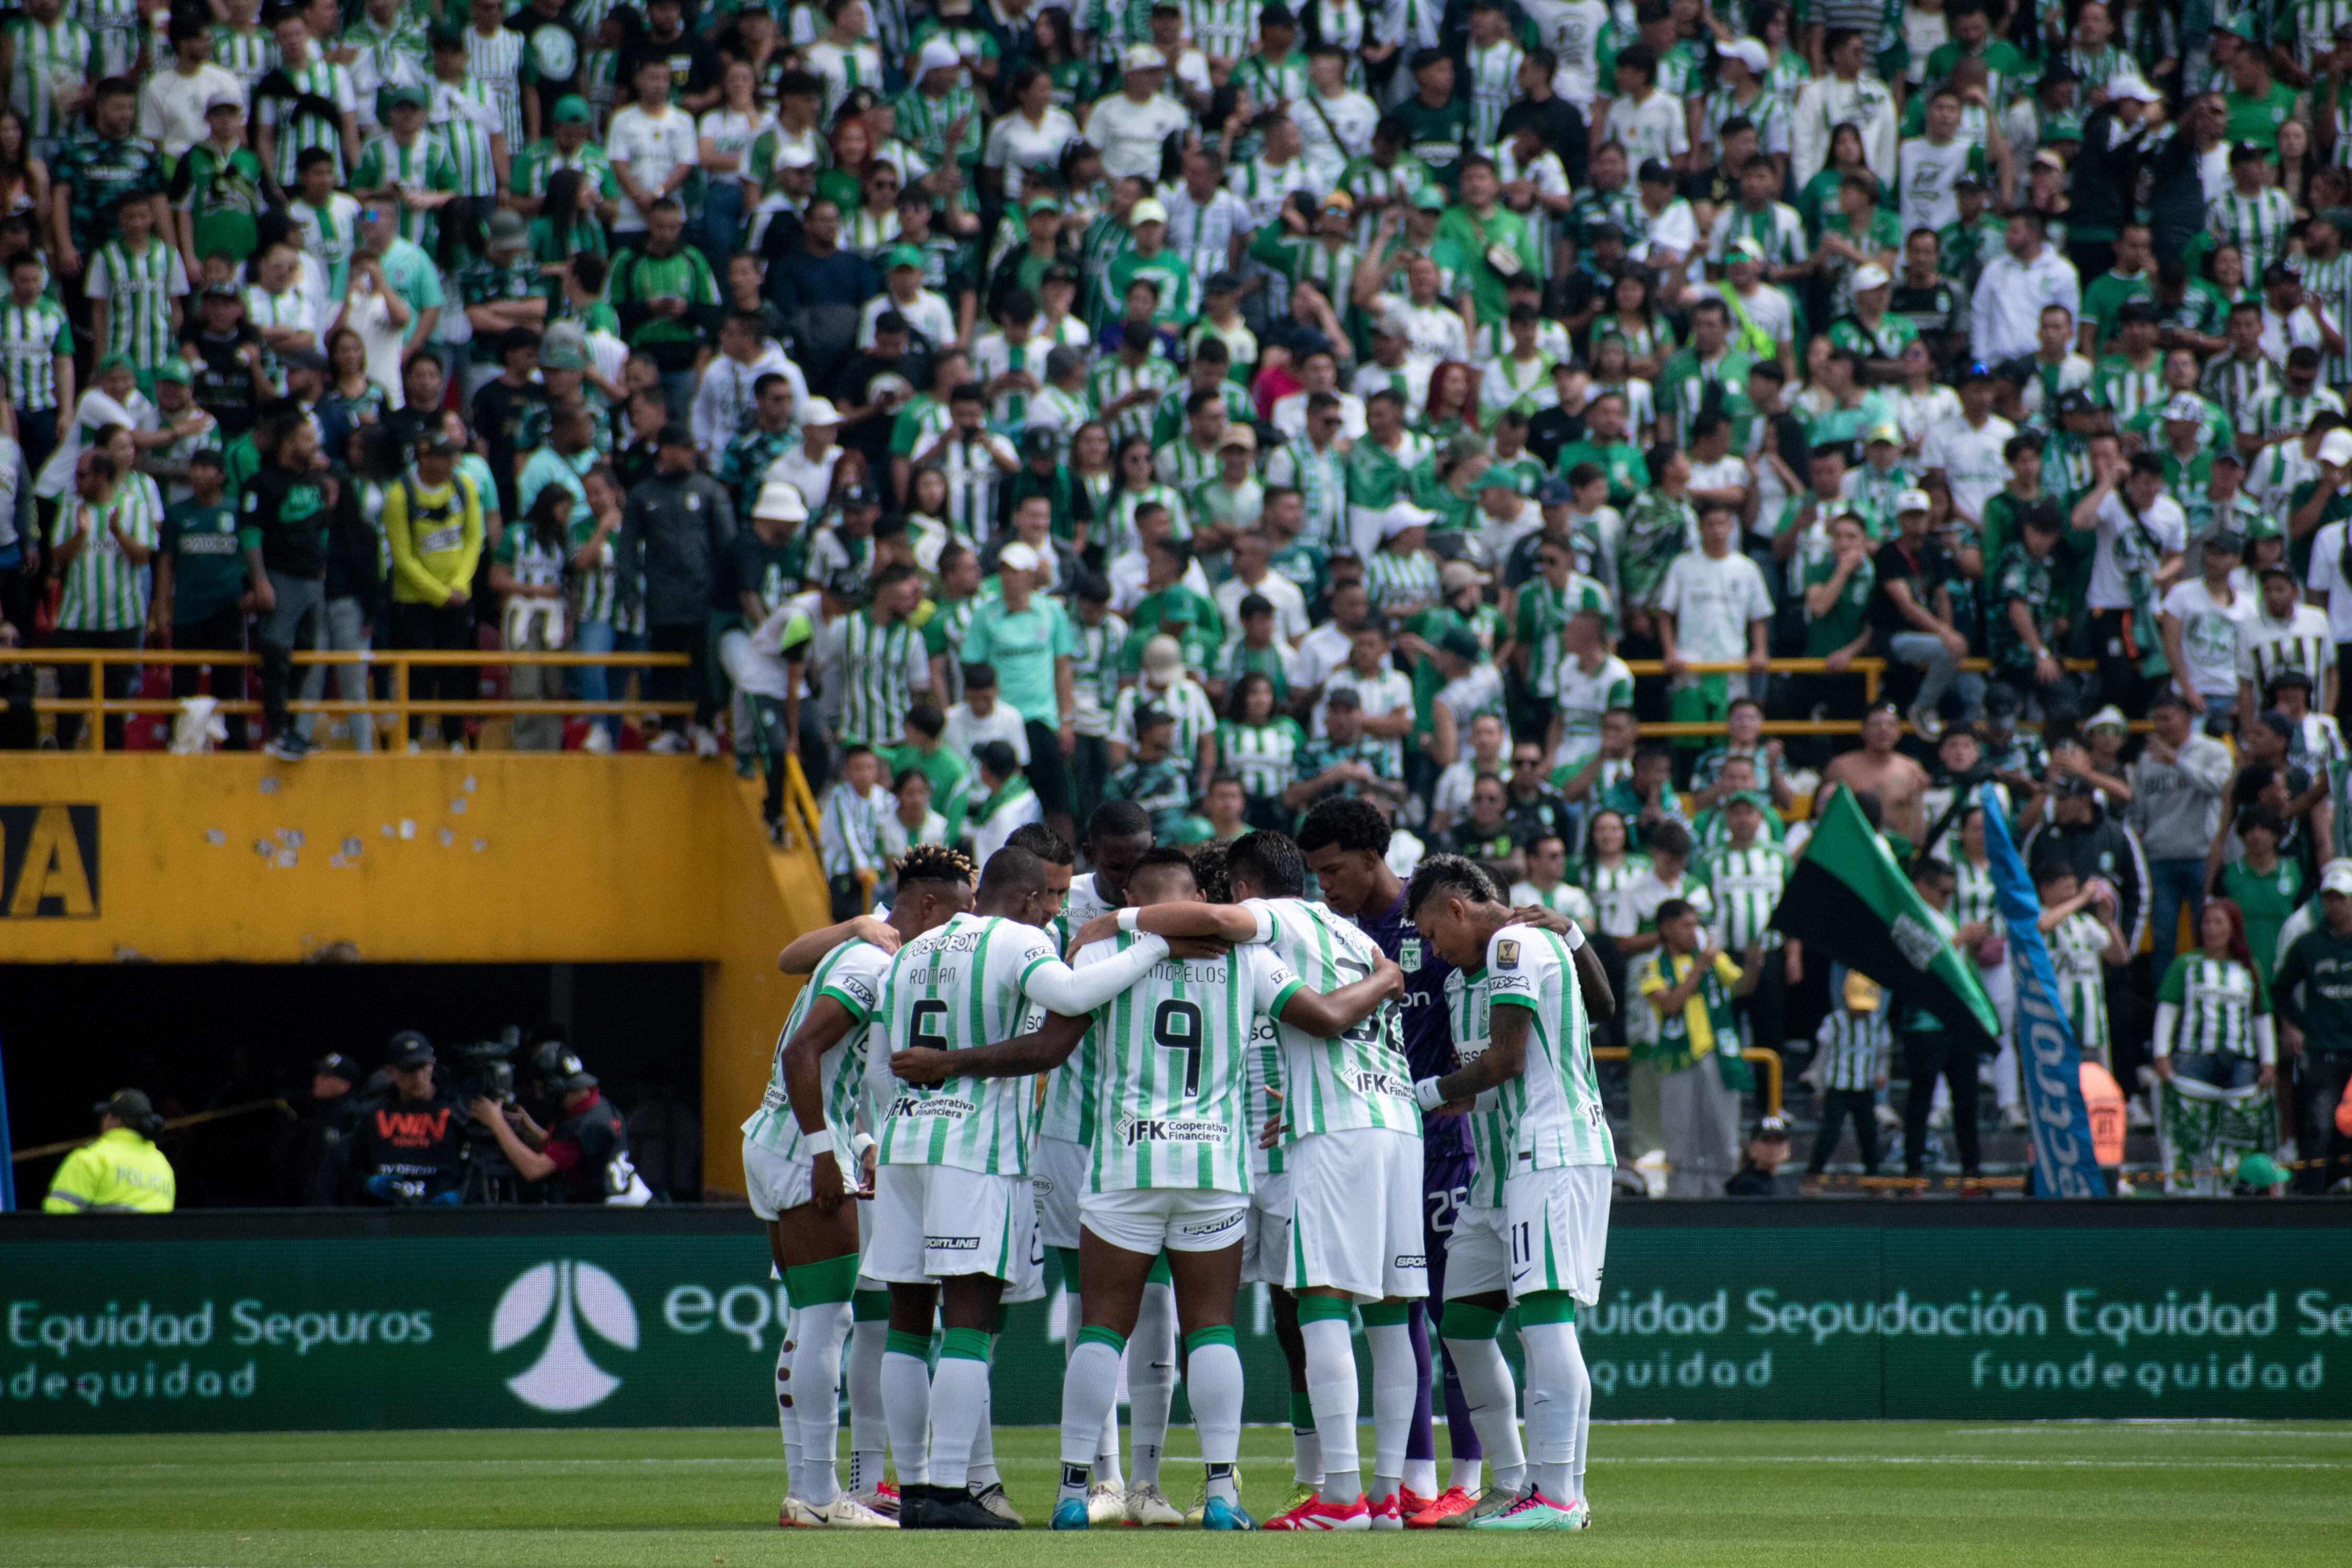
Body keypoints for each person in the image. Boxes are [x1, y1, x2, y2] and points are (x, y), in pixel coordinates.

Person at [855, 845, 1198, 1529]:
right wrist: (1153, 947)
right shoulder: (1017, 940)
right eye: (1048, 901)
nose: (1052, 914)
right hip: (974, 1152)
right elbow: (1069, 1001)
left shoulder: (912, 952)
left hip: (902, 1143)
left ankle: (916, 1490)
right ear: (1030, 898)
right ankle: (954, 1491)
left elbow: (883, 1064)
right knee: (970, 1322)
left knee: (906, 1325)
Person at [744, 842, 973, 1527]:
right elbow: (802, 1049)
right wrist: (824, 1152)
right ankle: (818, 1496)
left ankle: (807, 1491)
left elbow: (846, 1067)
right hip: (801, 1147)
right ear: (928, 904)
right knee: (828, 1322)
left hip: (780, 1137)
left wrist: (863, 1141)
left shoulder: (869, 951)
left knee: (811, 1321)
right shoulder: (874, 963)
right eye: (959, 910)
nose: (962, 926)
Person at [1405, 852, 1613, 1531]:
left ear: (1457, 908)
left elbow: (1508, 1060)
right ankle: (1513, 1481)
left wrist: (1425, 1095)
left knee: (1545, 1321)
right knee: (1463, 1323)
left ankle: (1559, 1495)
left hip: (1550, 1156)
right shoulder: (1480, 969)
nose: (1433, 949)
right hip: (1497, 1174)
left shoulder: (1514, 943)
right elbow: (1597, 1007)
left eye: (1433, 932)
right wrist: (1575, 938)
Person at [618, 422, 736, 755]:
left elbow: (727, 547)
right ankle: (671, 730)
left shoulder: (710, 491)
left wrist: (726, 594)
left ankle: (705, 726)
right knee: (666, 665)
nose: (690, 455)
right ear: (666, 450)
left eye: (692, 448)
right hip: (662, 595)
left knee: (705, 664)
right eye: (684, 448)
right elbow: (627, 548)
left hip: (703, 594)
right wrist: (630, 591)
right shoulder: (644, 494)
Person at [2151, 898, 2279, 1196]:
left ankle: (2236, 1183)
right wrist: (2161, 1054)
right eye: (2207, 922)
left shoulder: (2249, 969)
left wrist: (2269, 1062)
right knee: (2193, 1121)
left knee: (2240, 1122)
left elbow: (2262, 1017)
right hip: (2195, 1056)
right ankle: (2190, 1183)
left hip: (2240, 1060)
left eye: (2219, 923)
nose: (2211, 929)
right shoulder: (2186, 964)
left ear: (2233, 928)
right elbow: (2167, 1009)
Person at [2268, 861, 2352, 1194]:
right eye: (2329, 898)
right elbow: (2279, 989)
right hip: (2324, 1049)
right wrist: (2297, 1025)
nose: (2335, 905)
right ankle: (2313, 1201)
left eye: (2342, 898)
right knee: (2318, 1127)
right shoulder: (2308, 945)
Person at [350, 1033, 467, 1205]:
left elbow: (474, 1165)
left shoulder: (457, 1110)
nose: (418, 1078)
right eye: (409, 1070)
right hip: (386, 1215)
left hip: (443, 1214)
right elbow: (349, 1168)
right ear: (391, 1071)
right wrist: (367, 1183)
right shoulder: (371, 1113)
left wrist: (460, 1193)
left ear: (432, 1064)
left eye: (422, 1067)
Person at [42, 1089, 175, 1213]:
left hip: (103, 1238)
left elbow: (58, 1216)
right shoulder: (163, 1166)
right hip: (151, 1239)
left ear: (116, 1121)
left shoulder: (92, 1158)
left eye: (106, 1115)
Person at [1724, 1115, 1797, 1196]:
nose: (1773, 1147)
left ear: (1787, 1148)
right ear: (1752, 1148)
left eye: (1779, 1141)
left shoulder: (1788, 1182)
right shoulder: (1744, 1185)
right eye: (1766, 1141)